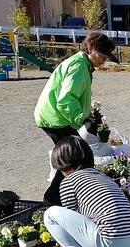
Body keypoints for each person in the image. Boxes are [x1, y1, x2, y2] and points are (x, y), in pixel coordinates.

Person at [34, 32, 120, 205]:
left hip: (57, 116)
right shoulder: (79, 66)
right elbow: (66, 99)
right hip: (55, 118)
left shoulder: (83, 65)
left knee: (76, 156)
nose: (103, 61)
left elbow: (77, 96)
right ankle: (54, 199)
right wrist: (83, 119)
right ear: (90, 48)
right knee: (77, 156)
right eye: (102, 56)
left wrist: (89, 116)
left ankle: (56, 197)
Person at [44, 136, 130, 247]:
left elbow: (74, 225)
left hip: (111, 245)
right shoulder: (103, 177)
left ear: (62, 163)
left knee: (51, 214)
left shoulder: (68, 182)